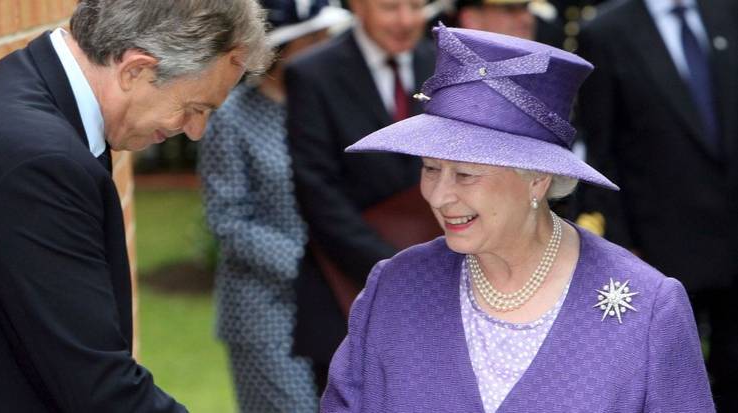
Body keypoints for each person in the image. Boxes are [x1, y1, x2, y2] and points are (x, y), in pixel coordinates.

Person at [321, 25, 714, 412]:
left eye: (466, 175)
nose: (439, 196)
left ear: (538, 180)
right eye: (430, 169)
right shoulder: (395, 286)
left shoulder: (649, 308)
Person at [0, 0, 270, 411]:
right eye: (194, 108)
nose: (195, 131)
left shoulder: (36, 101)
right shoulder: (36, 161)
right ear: (136, 69)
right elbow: (98, 386)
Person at [575, 0, 738, 409]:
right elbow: (601, 148)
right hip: (661, 248)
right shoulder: (607, 32)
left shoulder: (726, 13)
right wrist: (621, 244)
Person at [199, 1, 351, 411]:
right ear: (283, 48)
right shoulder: (231, 118)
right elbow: (227, 220)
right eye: (314, 37)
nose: (325, 45)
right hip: (264, 311)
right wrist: (307, 264)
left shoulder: (326, 107)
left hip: (336, 302)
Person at [285, 0, 436, 393]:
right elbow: (317, 192)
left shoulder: (446, 66)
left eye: (417, 6)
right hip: (346, 289)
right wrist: (394, 269)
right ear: (358, 7)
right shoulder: (312, 75)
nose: (406, 20)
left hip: (440, 290)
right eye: (390, 7)